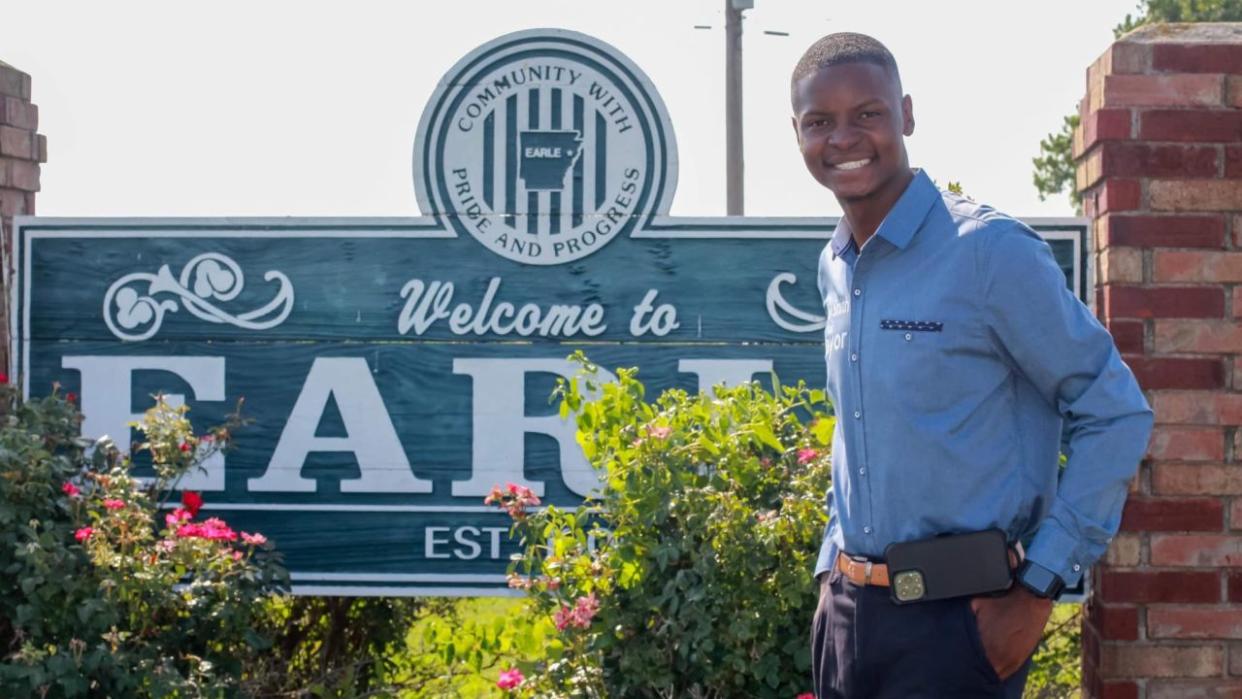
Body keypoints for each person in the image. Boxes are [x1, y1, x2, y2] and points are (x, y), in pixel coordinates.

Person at [792, 33, 1152, 698]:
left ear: (905, 113)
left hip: (959, 625)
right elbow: (862, 432)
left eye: (867, 113)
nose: (843, 138)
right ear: (798, 132)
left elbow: (1116, 411)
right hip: (848, 620)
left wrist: (1041, 585)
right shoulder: (835, 266)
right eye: (820, 121)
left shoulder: (987, 251)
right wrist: (830, 575)